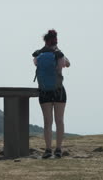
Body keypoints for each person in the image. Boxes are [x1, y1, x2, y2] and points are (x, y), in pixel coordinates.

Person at [32, 29, 70, 159]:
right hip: (59, 91)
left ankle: (48, 150)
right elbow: (67, 64)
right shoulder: (59, 54)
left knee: (47, 122)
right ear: (55, 41)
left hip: (44, 92)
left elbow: (36, 64)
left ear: (45, 41)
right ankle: (58, 149)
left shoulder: (38, 55)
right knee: (59, 121)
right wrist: (59, 51)